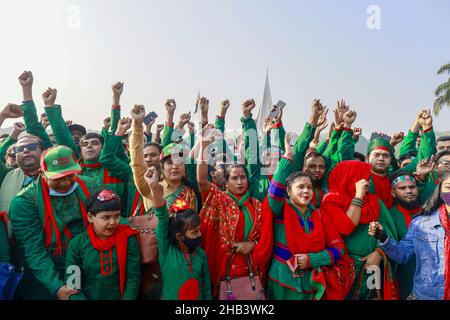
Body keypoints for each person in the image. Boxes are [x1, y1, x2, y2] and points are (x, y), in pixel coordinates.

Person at [266, 134, 354, 300]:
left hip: (311, 286)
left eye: (308, 187)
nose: (306, 191)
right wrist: (288, 157)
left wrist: (311, 260)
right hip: (280, 284)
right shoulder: (281, 210)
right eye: (300, 187)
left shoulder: (320, 215)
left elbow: (339, 249)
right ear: (288, 191)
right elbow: (273, 192)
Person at [9, 145, 100, 299]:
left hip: (89, 259)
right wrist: (56, 286)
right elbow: (34, 250)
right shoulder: (24, 202)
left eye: (70, 175)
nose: (65, 183)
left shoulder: (90, 185)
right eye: (57, 178)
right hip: (50, 267)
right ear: (42, 174)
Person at [197, 121, 273, 298]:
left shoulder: (257, 206)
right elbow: (201, 181)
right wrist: (203, 146)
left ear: (248, 180)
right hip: (221, 266)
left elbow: (266, 237)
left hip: (250, 267)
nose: (239, 182)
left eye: (242, 178)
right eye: (234, 178)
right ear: (226, 181)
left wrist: (252, 245)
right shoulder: (217, 198)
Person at [320, 160, 399, 299]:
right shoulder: (332, 200)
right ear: (349, 177)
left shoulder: (374, 201)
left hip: (372, 265)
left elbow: (388, 230)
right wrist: (358, 197)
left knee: (370, 295)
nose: (368, 182)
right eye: (364, 177)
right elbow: (346, 228)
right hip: (342, 269)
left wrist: (379, 253)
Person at [369, 172, 450, 300]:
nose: (408, 191)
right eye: (448, 187)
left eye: (412, 187)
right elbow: (403, 254)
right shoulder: (421, 223)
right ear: (439, 190)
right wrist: (384, 238)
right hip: (428, 293)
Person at [145, 165, 212, 300]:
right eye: (194, 232)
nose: (199, 235)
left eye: (199, 230)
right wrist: (153, 187)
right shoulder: (166, 250)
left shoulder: (201, 255)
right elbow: (163, 216)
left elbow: (206, 291)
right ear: (179, 236)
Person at [64, 190, 140, 300]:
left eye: (117, 216)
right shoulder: (77, 245)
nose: (113, 222)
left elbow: (133, 278)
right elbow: (73, 285)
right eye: (106, 217)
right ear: (90, 217)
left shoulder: (127, 238)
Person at [129, 104, 198, 212]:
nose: (175, 166)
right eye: (170, 162)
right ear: (162, 167)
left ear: (185, 167)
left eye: (179, 162)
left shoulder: (190, 191)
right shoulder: (151, 186)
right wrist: (137, 125)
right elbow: (137, 163)